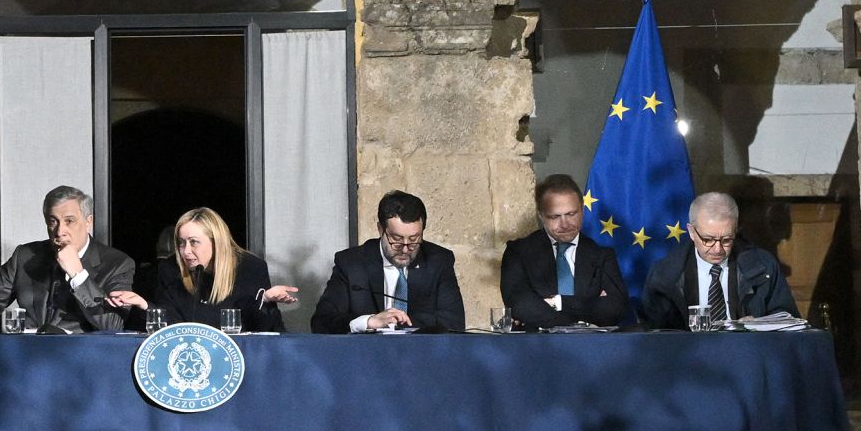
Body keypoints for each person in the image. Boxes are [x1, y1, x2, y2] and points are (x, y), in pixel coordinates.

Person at [0, 185, 133, 333]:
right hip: (28, 356)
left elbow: (113, 325)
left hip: (79, 360)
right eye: (53, 222)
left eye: (69, 221)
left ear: (89, 222)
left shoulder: (117, 264)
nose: (60, 231)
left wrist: (78, 275)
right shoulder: (25, 256)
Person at [107, 207, 298, 331]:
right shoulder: (170, 268)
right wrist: (144, 305)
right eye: (181, 243)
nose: (186, 251)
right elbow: (171, 324)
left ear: (217, 242)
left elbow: (264, 329)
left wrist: (264, 300)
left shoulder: (250, 267)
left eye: (194, 242)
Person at [311, 190, 464, 333]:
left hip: (422, 355)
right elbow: (321, 322)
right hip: (368, 356)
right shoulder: (352, 263)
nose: (405, 249)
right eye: (396, 239)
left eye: (413, 239)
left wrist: (398, 323)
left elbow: (454, 323)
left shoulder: (438, 260)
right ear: (380, 229)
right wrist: (368, 321)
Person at [642, 191, 797, 329]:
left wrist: (760, 326)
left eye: (726, 240)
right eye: (708, 240)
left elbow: (788, 320)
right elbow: (655, 337)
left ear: (736, 230)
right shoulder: (665, 274)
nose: (718, 249)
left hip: (748, 354)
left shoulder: (762, 266)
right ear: (691, 232)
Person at [499, 174, 628, 330]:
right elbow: (521, 305)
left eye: (571, 214)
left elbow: (616, 309)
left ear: (582, 210)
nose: (565, 224)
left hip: (591, 347)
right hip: (535, 347)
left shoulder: (602, 255)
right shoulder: (518, 252)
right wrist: (581, 321)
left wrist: (557, 303)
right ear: (541, 216)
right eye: (555, 216)